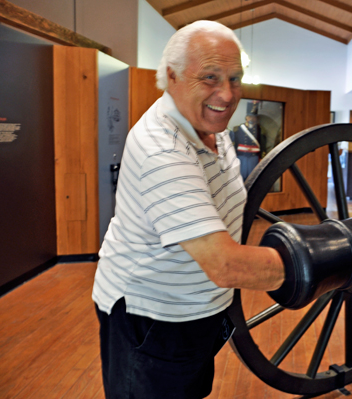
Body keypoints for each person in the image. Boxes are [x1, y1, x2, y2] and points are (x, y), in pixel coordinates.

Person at [92, 20, 284, 399]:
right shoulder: (163, 150)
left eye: (235, 78)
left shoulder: (212, 126)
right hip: (152, 320)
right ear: (171, 76)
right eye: (210, 77)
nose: (227, 95)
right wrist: (325, 264)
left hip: (198, 310)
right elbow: (225, 265)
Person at [231, 109, 265, 180]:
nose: (251, 118)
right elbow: (235, 143)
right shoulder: (238, 128)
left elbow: (262, 143)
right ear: (246, 117)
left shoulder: (260, 129)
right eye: (249, 116)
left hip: (253, 157)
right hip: (241, 155)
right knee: (240, 176)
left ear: (256, 118)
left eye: (253, 117)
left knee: (252, 177)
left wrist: (262, 156)